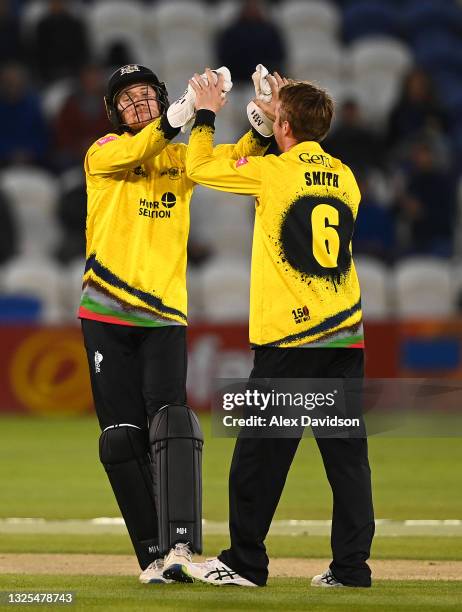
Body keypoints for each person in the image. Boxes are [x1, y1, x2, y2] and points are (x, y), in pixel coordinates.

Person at [79, 63, 273, 585]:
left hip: (164, 313)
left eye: (146, 95)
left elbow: (225, 163)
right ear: (114, 112)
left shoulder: (179, 159)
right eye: (127, 99)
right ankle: (152, 558)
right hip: (106, 310)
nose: (137, 103)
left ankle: (180, 546)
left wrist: (260, 127)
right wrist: (188, 109)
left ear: (159, 98)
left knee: (173, 426)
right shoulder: (103, 151)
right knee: (121, 440)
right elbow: (140, 147)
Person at [180, 75, 375, 587]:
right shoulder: (348, 177)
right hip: (344, 336)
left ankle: (244, 562)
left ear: (285, 124)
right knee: (347, 459)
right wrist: (276, 116)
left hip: (290, 340)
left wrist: (205, 115)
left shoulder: (274, 174)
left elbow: (199, 167)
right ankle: (351, 568)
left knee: (259, 458)